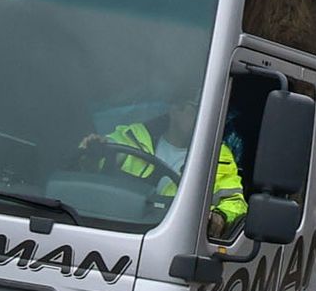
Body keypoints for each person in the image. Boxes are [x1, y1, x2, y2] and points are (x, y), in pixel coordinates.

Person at [86, 94, 246, 226]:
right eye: (198, 108)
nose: (205, 117)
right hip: (114, 223)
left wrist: (220, 216)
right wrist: (95, 152)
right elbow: (97, 161)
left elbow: (234, 201)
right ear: (175, 109)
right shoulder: (132, 136)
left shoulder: (218, 155)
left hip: (178, 235)